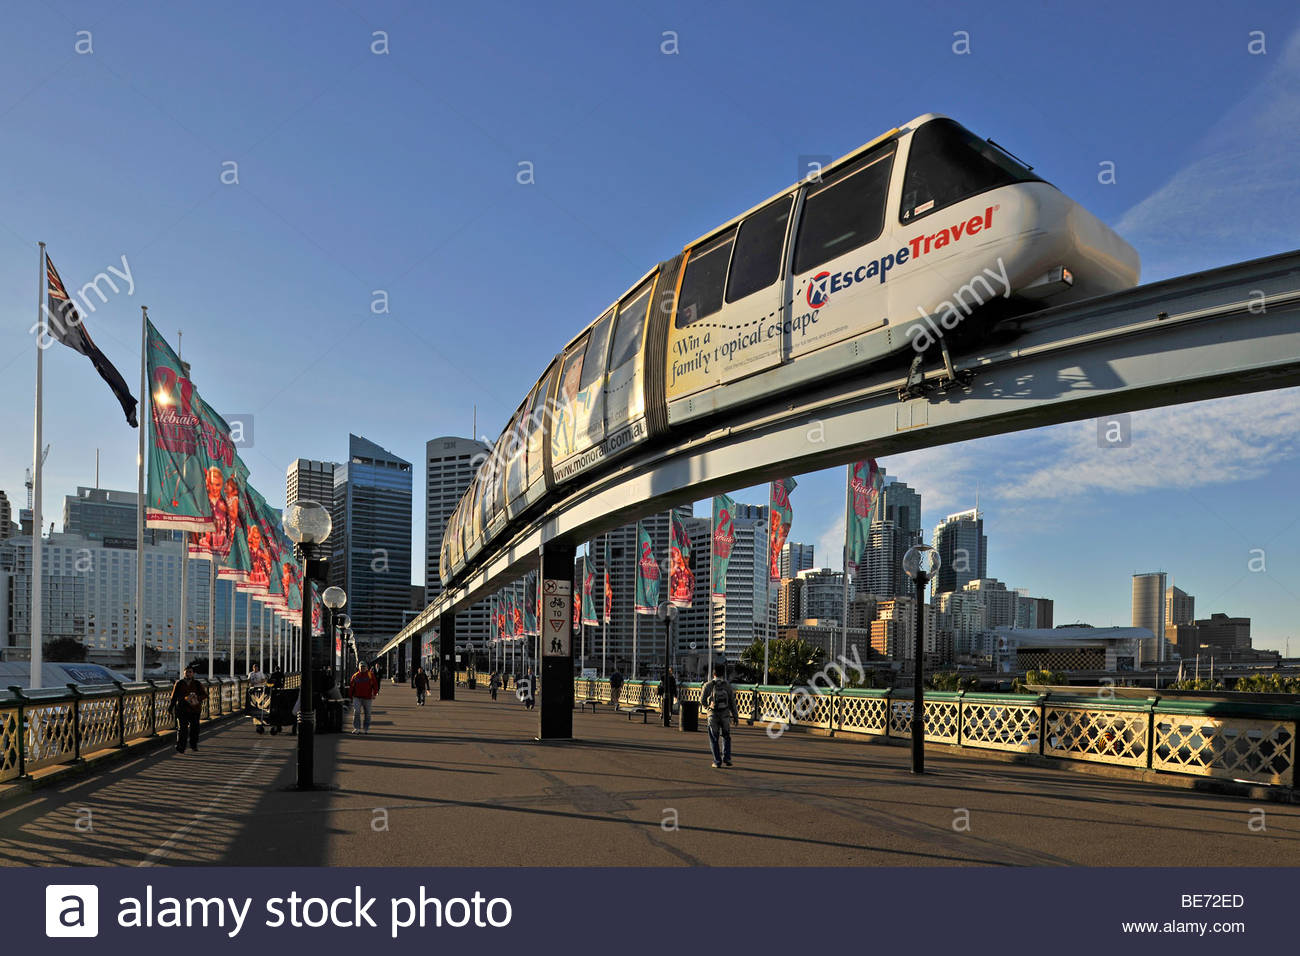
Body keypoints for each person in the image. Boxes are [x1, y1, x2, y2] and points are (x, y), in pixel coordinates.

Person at [700, 662, 738, 768]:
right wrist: (735, 716)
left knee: (714, 738)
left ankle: (717, 761)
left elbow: (702, 700)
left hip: (712, 715)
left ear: (714, 674)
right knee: (726, 737)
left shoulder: (708, 685)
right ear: (723, 674)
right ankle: (727, 758)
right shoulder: (727, 686)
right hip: (725, 714)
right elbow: (732, 703)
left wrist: (708, 708)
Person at [170, 665, 206, 754]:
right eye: (186, 672)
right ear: (184, 673)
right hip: (182, 709)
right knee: (183, 729)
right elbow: (174, 697)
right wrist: (170, 707)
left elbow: (205, 695)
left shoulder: (197, 684)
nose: (188, 674)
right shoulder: (179, 683)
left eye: (190, 672)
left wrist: (196, 698)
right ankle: (181, 746)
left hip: (194, 710)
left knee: (195, 729)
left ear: (193, 673)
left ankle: (193, 744)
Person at [350, 662, 380, 734]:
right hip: (357, 697)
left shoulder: (370, 675)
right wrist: (351, 696)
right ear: (359, 667)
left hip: (367, 697)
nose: (362, 668)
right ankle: (357, 728)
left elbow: (375, 685)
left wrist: (374, 694)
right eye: (361, 667)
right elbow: (351, 687)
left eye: (364, 667)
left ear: (366, 667)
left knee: (368, 713)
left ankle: (366, 729)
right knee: (356, 712)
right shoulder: (355, 676)